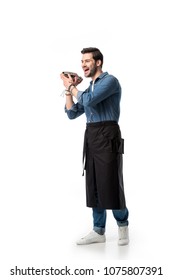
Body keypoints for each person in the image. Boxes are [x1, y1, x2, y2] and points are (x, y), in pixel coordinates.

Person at [60, 47, 129, 246]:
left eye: (87, 61)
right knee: (95, 184)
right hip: (91, 135)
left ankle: (123, 224)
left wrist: (73, 88)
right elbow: (72, 113)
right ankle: (98, 231)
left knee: (111, 182)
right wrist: (68, 90)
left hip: (108, 134)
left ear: (98, 62)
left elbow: (89, 100)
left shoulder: (110, 81)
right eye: (82, 61)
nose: (83, 65)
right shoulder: (87, 89)